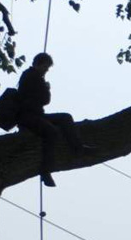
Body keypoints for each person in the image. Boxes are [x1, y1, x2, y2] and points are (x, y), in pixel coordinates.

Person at [16, 53, 93, 187]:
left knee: (65, 118)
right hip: (28, 118)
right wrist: (46, 88)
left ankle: (77, 148)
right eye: (46, 67)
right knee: (51, 133)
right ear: (39, 64)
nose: (46, 70)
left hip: (36, 115)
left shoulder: (30, 76)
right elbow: (45, 100)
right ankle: (45, 170)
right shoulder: (33, 77)